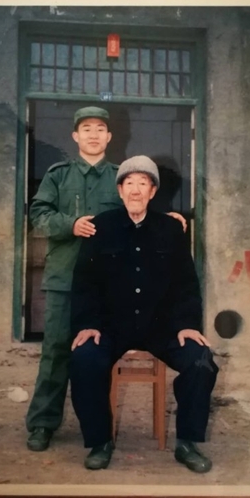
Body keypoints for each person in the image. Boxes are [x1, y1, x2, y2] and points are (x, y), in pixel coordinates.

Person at [26, 108, 186, 452]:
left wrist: (168, 219)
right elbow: (38, 215)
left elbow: (139, 208)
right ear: (75, 136)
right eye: (86, 128)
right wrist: (70, 224)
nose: (94, 135)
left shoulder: (121, 177)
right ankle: (42, 423)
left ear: (110, 137)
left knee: (96, 351)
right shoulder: (58, 175)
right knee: (55, 351)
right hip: (63, 278)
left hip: (107, 284)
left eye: (100, 129)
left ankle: (96, 428)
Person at [70, 155, 219, 473]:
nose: (135, 189)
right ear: (120, 190)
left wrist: (187, 324)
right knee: (84, 358)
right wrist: (88, 324)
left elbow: (186, 283)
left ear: (152, 192)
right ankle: (100, 442)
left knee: (201, 360)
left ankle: (187, 443)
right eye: (129, 183)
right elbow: (84, 283)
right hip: (112, 326)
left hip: (160, 327)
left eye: (143, 183)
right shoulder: (101, 227)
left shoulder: (171, 229)